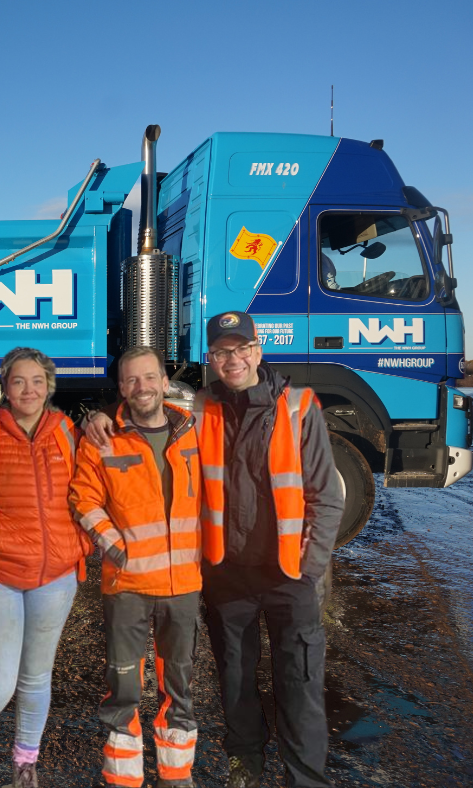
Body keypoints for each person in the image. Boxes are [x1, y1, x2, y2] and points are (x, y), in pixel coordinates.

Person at [196, 311, 342, 788]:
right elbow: (144, 424)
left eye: (241, 349)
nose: (232, 359)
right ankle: (246, 763)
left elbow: (326, 493)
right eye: (221, 352)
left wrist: (310, 566)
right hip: (227, 574)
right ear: (211, 359)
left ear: (258, 352)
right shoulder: (200, 409)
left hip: (288, 576)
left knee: (298, 683)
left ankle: (304, 778)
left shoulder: (299, 406)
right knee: (235, 681)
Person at [0, 347, 90, 788]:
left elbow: (91, 491)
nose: (29, 390)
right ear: (5, 387)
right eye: (19, 381)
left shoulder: (67, 432)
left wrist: (81, 543)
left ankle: (26, 763)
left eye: (38, 381)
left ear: (50, 386)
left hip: (56, 576)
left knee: (36, 677)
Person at [69, 346, 203, 788]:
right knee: (123, 686)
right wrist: (116, 549)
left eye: (149, 378)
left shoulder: (193, 433)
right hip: (126, 584)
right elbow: (83, 498)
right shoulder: (103, 437)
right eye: (130, 380)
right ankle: (123, 778)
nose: (141, 387)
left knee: (178, 685)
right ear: (121, 388)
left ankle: (176, 773)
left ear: (166, 383)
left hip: (182, 583)